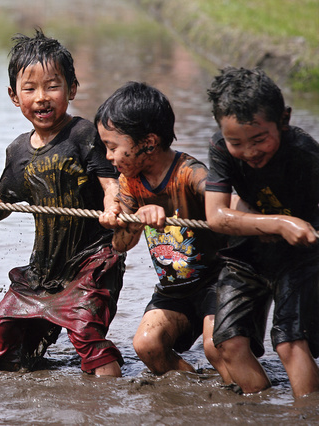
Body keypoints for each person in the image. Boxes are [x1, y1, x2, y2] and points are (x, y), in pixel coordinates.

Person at [0, 30, 125, 376]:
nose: (42, 98)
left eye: (52, 86)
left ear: (72, 89)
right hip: (43, 271)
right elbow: (2, 205)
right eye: (30, 88)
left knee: (88, 339)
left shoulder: (83, 134)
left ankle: (111, 402)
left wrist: (114, 205)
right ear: (13, 95)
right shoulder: (18, 151)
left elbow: (111, 184)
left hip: (90, 263)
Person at [95, 81, 230, 382]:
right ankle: (197, 387)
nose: (108, 156)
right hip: (174, 288)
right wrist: (133, 220)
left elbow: (225, 202)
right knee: (147, 345)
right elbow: (120, 245)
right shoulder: (130, 182)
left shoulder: (189, 173)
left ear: (149, 143)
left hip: (215, 282)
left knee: (216, 347)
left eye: (113, 147)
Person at [205, 66, 319, 397]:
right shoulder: (220, 149)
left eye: (259, 139)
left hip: (299, 256)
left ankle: (306, 414)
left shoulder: (304, 154)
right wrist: (278, 223)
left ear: (284, 120)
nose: (250, 152)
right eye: (236, 142)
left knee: (290, 342)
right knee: (227, 341)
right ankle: (262, 408)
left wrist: (298, 228)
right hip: (247, 254)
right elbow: (215, 215)